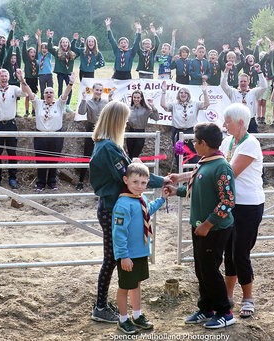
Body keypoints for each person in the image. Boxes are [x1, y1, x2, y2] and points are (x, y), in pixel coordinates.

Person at [89, 101, 167, 323]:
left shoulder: (107, 145)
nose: (126, 123)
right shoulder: (109, 148)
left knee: (112, 258)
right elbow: (130, 175)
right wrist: (163, 181)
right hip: (113, 207)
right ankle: (101, 306)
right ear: (116, 122)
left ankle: (102, 304)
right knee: (111, 259)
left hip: (112, 205)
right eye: (123, 120)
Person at [167, 122, 236, 329]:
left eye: (196, 142)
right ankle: (206, 307)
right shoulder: (205, 163)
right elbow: (197, 189)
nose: (194, 146)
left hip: (214, 229)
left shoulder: (221, 167)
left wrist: (208, 223)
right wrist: (175, 190)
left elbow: (228, 202)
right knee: (201, 269)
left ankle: (225, 311)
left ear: (204, 143)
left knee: (210, 270)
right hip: (200, 226)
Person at [112, 162, 169, 334]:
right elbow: (118, 233)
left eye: (143, 183)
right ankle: (123, 319)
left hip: (140, 252)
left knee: (136, 284)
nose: (139, 186)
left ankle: (137, 315)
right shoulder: (123, 204)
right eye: (135, 182)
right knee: (124, 286)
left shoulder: (141, 198)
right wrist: (123, 256)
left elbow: (147, 211)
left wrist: (162, 199)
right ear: (126, 180)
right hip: (128, 255)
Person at [219, 103, 264, 318]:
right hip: (231, 204)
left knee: (240, 252)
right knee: (229, 250)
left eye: (227, 121)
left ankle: (248, 297)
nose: (224, 124)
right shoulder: (228, 141)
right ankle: (228, 296)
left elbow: (229, 174)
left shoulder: (251, 144)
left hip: (249, 205)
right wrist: (184, 178)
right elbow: (213, 165)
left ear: (240, 123)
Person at [20, 70, 75, 191]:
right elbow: (29, 93)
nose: (48, 94)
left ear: (54, 94)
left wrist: (70, 84)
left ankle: (52, 182)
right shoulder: (38, 103)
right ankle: (40, 183)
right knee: (41, 160)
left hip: (56, 136)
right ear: (43, 94)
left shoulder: (59, 104)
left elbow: (65, 94)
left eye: (51, 92)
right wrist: (22, 80)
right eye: (46, 92)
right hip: (41, 136)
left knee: (53, 160)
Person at [0, 68, 27, 189]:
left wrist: (22, 79)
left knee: (12, 152)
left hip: (10, 124)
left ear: (8, 77)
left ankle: (12, 178)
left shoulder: (13, 88)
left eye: (5, 76)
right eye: (1, 76)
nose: (3, 78)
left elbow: (24, 93)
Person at [160, 80, 209, 166]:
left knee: (194, 153)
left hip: (191, 132)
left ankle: (193, 173)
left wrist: (205, 92)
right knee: (179, 154)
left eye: (185, 92)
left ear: (188, 94)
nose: (183, 94)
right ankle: (180, 174)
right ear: (178, 94)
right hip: (178, 132)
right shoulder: (174, 104)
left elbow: (206, 104)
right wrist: (163, 92)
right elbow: (163, 105)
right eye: (181, 92)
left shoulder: (194, 103)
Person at [76, 83, 113, 191]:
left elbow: (111, 113)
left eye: (100, 90)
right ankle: (81, 181)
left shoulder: (106, 102)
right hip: (90, 128)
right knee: (87, 154)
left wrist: (110, 99)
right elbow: (81, 112)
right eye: (97, 90)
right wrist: (83, 99)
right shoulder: (88, 102)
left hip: (102, 129)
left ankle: (102, 182)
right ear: (93, 90)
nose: (98, 92)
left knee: (102, 155)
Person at [220, 62, 267, 133]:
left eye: (245, 81)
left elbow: (264, 87)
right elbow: (223, 85)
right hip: (236, 121)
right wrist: (226, 70)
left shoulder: (254, 92)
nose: (243, 83)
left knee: (252, 141)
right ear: (238, 82)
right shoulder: (233, 92)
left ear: (248, 82)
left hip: (250, 121)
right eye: (241, 81)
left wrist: (259, 72)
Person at [47, 30, 77, 113]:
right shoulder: (57, 52)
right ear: (61, 44)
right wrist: (50, 38)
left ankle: (67, 105)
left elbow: (78, 51)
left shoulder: (71, 53)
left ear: (68, 44)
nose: (65, 44)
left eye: (66, 42)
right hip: (60, 73)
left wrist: (75, 40)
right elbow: (49, 48)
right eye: (63, 42)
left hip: (68, 74)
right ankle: (61, 105)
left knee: (70, 88)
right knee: (60, 88)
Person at [126, 90, 160, 159]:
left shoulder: (146, 109)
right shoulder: (128, 108)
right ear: (132, 98)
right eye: (134, 97)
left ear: (141, 98)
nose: (136, 99)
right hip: (130, 132)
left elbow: (156, 118)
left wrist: (153, 107)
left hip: (140, 133)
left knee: (135, 155)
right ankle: (130, 169)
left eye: (138, 98)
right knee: (130, 155)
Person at [22, 34, 39, 117]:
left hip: (35, 79)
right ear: (28, 54)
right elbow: (23, 52)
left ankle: (33, 111)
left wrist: (37, 40)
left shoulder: (36, 60)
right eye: (31, 52)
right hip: (28, 79)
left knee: (34, 96)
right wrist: (25, 42)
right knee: (28, 96)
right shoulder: (26, 60)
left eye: (34, 52)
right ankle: (26, 111)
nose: (33, 53)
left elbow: (38, 50)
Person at [35, 29, 54, 100]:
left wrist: (49, 37)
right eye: (43, 48)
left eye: (46, 48)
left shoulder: (49, 55)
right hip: (41, 75)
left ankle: (51, 102)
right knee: (43, 90)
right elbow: (39, 45)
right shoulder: (39, 55)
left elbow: (50, 46)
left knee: (50, 90)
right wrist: (39, 36)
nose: (44, 49)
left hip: (49, 75)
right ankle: (43, 102)